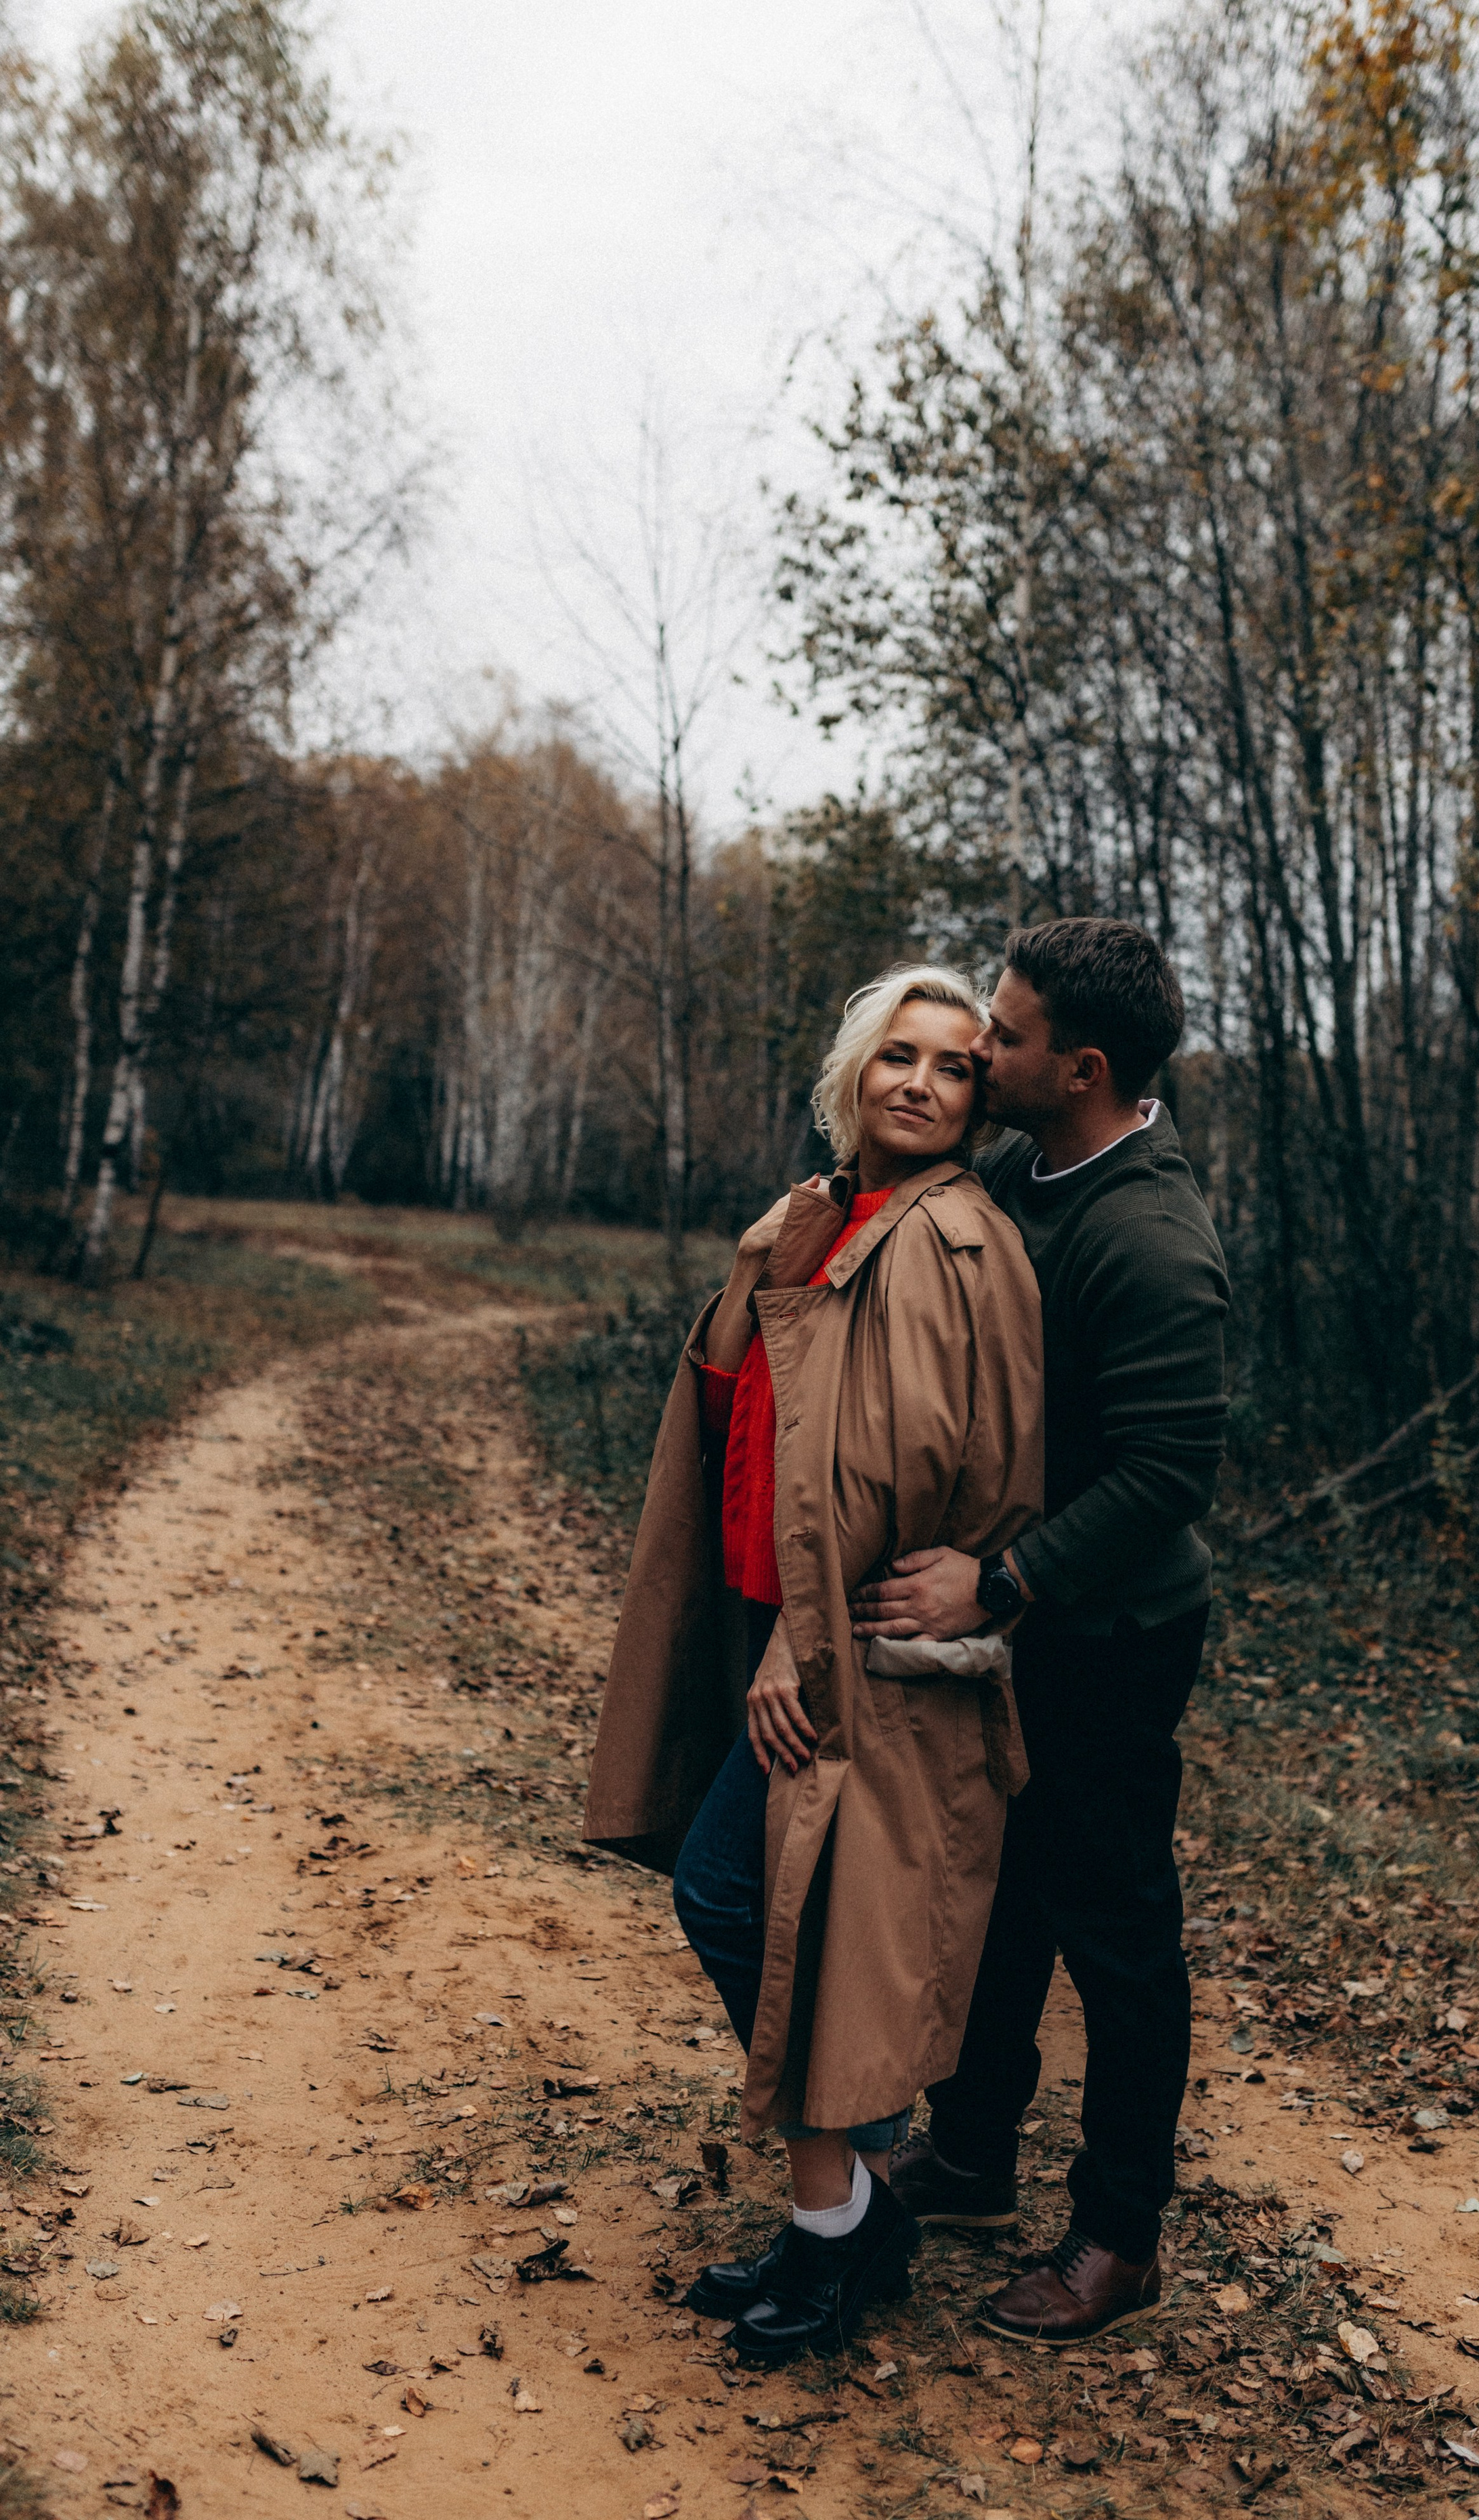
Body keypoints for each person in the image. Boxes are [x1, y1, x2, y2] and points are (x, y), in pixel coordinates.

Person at [582, 964, 1044, 2368]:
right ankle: (842, 2216)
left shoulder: (942, 1239)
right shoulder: (834, 1220)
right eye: (894, 1056)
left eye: (952, 1066)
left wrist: (802, 1631)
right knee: (778, 1924)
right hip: (775, 1629)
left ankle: (842, 2230)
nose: (917, 1083)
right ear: (853, 1070)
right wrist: (748, 1270)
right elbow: (746, 1414)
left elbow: (909, 1469)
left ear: (979, 1097)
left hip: (856, 1657)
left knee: (757, 1913)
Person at [849, 917, 1229, 2346]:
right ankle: (971, 2154)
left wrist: (997, 1584)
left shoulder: (1146, 1237)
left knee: (1114, 1927)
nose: (978, 1050)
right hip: (1029, 1624)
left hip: (1113, 1631)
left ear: (1076, 1066)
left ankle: (1118, 2237)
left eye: (1000, 1037)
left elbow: (1165, 1478)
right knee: (995, 1895)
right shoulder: (1024, 1173)